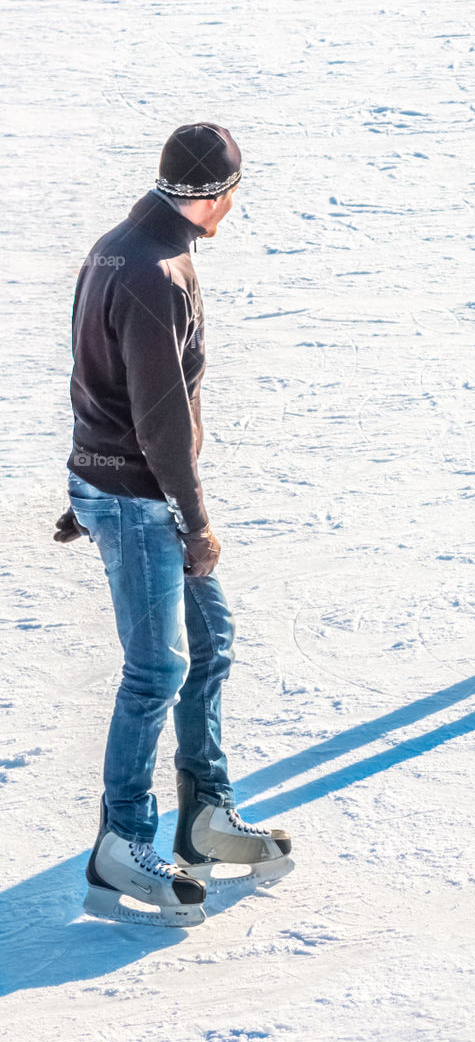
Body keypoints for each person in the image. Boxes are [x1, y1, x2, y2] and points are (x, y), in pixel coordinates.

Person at [55, 123, 291, 926]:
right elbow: (157, 418)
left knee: (210, 644)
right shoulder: (159, 272)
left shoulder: (119, 245)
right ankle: (120, 842)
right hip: (141, 498)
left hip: (116, 485)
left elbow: (97, 376)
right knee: (157, 670)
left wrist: (88, 474)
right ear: (218, 195)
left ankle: (202, 814)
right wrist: (193, 523)